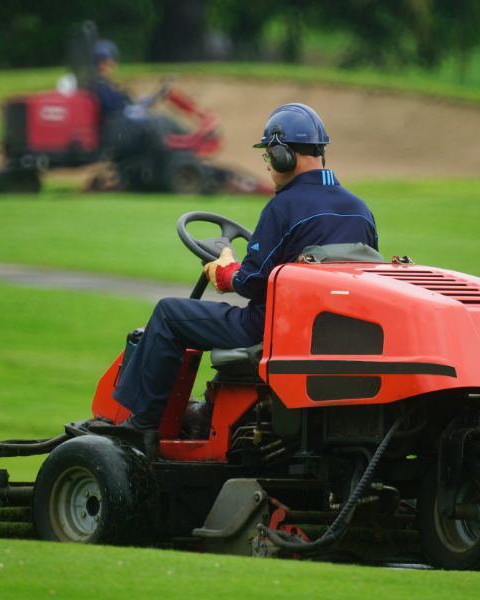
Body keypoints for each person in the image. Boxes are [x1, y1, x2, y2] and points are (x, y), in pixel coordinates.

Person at [110, 103, 379, 450]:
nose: (267, 164)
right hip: (330, 335)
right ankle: (210, 414)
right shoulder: (361, 210)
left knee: (169, 314)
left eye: (269, 155)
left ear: (283, 155)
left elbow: (251, 283)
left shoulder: (284, 207)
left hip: (272, 330)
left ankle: (141, 426)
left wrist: (225, 271)